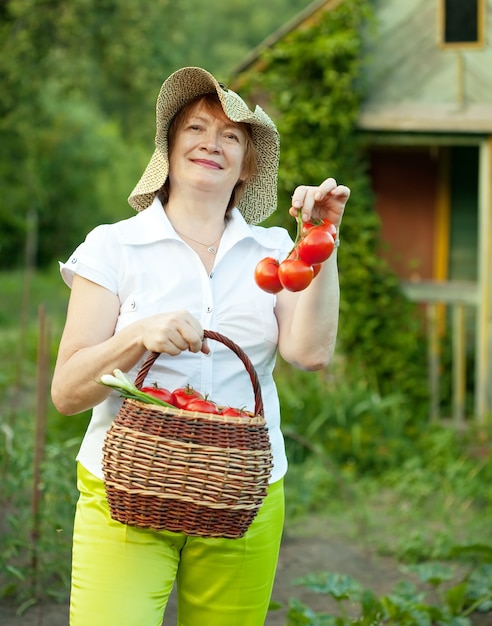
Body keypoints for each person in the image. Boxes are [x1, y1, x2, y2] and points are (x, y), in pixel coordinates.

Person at [51, 66, 350, 626]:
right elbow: (66, 393)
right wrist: (136, 336)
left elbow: (309, 354)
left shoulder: (276, 247)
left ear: (246, 166)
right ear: (169, 146)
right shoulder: (114, 246)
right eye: (195, 128)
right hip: (126, 491)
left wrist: (323, 241)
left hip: (242, 496)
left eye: (231, 136)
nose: (212, 143)